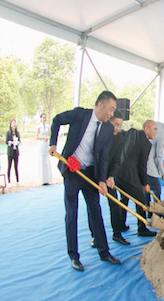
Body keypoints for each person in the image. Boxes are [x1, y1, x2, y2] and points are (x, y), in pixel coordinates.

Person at [49, 91, 120, 271]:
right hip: (72, 171)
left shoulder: (107, 128)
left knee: (96, 211)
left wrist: (102, 180)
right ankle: (74, 256)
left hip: (90, 174)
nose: (111, 114)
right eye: (111, 109)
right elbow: (57, 120)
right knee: (71, 213)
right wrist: (53, 143)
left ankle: (104, 252)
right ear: (100, 105)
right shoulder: (80, 115)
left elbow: (104, 156)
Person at [117, 120, 158, 237]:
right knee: (140, 199)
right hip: (129, 174)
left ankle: (121, 224)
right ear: (146, 128)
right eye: (154, 129)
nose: (156, 132)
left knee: (124, 197)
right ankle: (142, 228)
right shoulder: (146, 144)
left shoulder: (131, 132)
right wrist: (145, 183)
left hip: (118, 172)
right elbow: (142, 165)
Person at [103, 110, 128, 245]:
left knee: (115, 204)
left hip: (109, 175)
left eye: (120, 125)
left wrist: (111, 176)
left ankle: (117, 234)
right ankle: (95, 236)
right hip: (94, 173)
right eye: (115, 124)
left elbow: (116, 160)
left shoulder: (120, 139)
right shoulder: (99, 134)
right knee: (93, 206)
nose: (117, 128)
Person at [35, 113, 52, 185]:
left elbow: (49, 134)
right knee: (42, 160)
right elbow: (36, 137)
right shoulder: (39, 127)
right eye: (43, 118)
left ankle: (47, 179)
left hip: (46, 144)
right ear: (40, 118)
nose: (45, 119)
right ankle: (42, 180)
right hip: (41, 144)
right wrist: (43, 137)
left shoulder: (48, 126)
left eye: (45, 117)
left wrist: (48, 137)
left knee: (46, 161)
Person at [6, 118, 20, 185]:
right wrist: (11, 142)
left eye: (15, 123)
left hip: (16, 151)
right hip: (10, 152)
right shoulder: (8, 133)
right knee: (9, 166)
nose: (14, 124)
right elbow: (7, 141)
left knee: (16, 166)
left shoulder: (17, 133)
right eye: (13, 123)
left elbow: (19, 140)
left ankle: (17, 181)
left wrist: (17, 142)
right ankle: (9, 181)